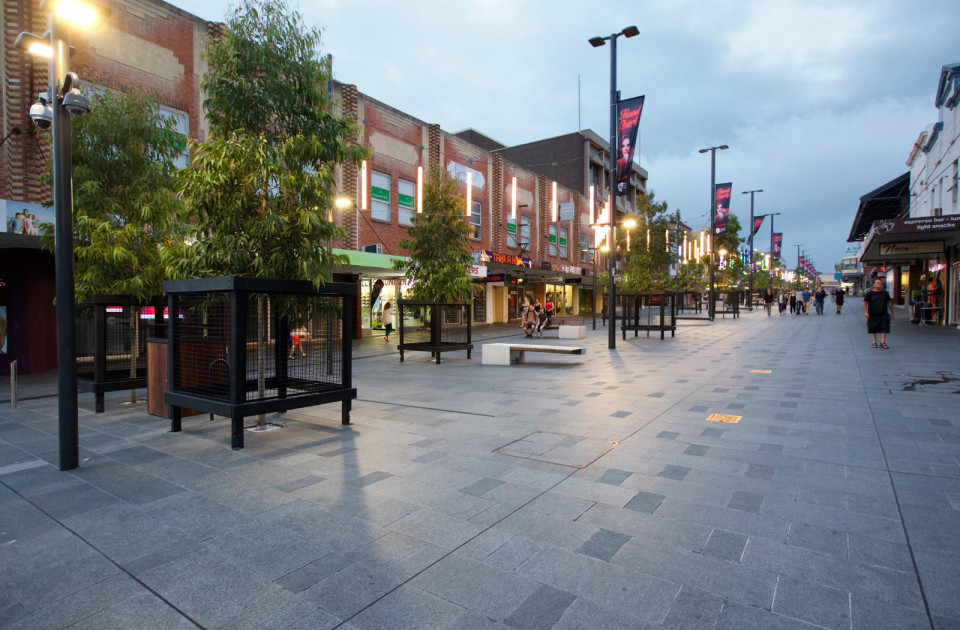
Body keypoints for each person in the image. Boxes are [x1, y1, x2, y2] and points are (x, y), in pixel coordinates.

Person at [863, 278, 894, 349]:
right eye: (878, 282)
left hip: (884, 313)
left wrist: (892, 313)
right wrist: (865, 312)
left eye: (881, 282)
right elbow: (864, 303)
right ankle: (874, 342)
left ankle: (883, 342)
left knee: (885, 327)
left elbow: (889, 303)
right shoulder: (870, 293)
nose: (880, 284)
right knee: (873, 328)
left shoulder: (885, 293)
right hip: (873, 314)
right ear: (874, 284)